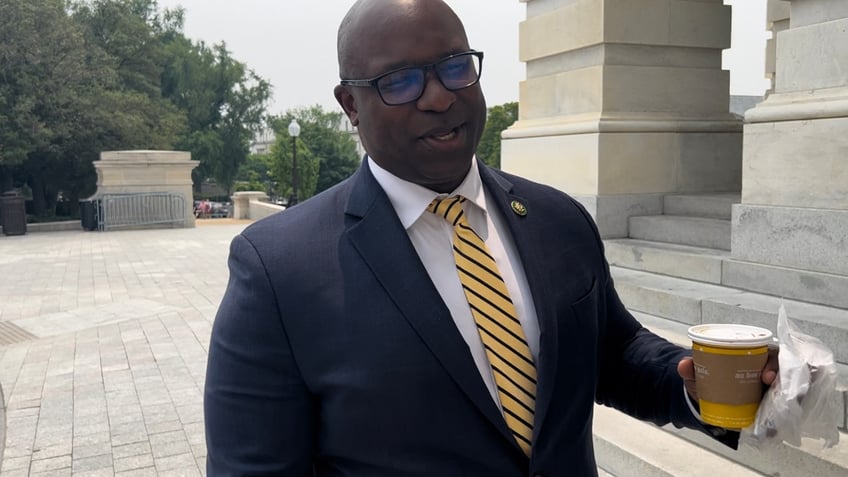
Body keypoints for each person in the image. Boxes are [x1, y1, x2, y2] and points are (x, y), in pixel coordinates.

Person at [203, 0, 778, 475]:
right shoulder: (278, 270)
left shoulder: (558, 220)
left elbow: (611, 353)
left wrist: (703, 384)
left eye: (454, 66)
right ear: (351, 104)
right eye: (399, 81)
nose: (438, 96)